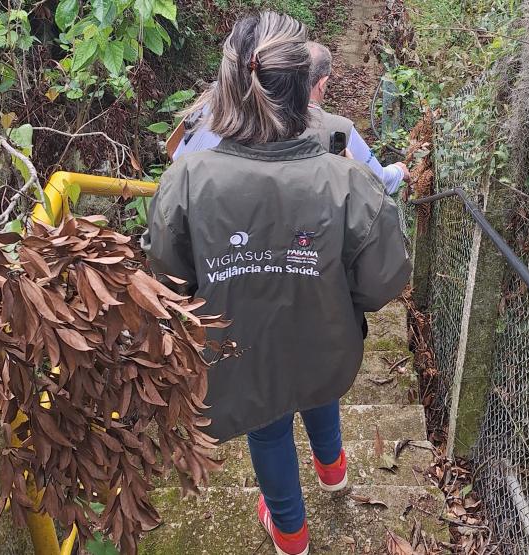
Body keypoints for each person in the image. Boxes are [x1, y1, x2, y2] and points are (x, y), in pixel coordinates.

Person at [141, 13, 412, 555]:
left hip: (242, 345)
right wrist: (332, 294)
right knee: (318, 385)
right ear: (304, 86)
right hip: (322, 336)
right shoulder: (347, 178)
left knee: (267, 427)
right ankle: (333, 471)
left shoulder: (187, 179)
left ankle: (291, 534)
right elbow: (385, 280)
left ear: (229, 85)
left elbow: (167, 280)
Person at [170, 42, 410, 195]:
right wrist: (399, 171)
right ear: (322, 83)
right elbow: (378, 181)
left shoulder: (226, 109)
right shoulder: (336, 129)